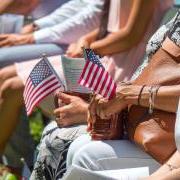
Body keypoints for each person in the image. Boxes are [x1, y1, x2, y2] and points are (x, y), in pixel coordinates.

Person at [66, 7, 180, 176]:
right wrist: (118, 95)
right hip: (140, 121)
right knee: (77, 146)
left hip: (166, 142)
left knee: (86, 156)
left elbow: (129, 36)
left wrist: (127, 95)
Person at [0, 0, 104, 67]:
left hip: (76, 42)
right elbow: (80, 4)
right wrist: (36, 26)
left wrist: (31, 37)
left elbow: (88, 21)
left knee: (2, 59)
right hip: (48, 27)